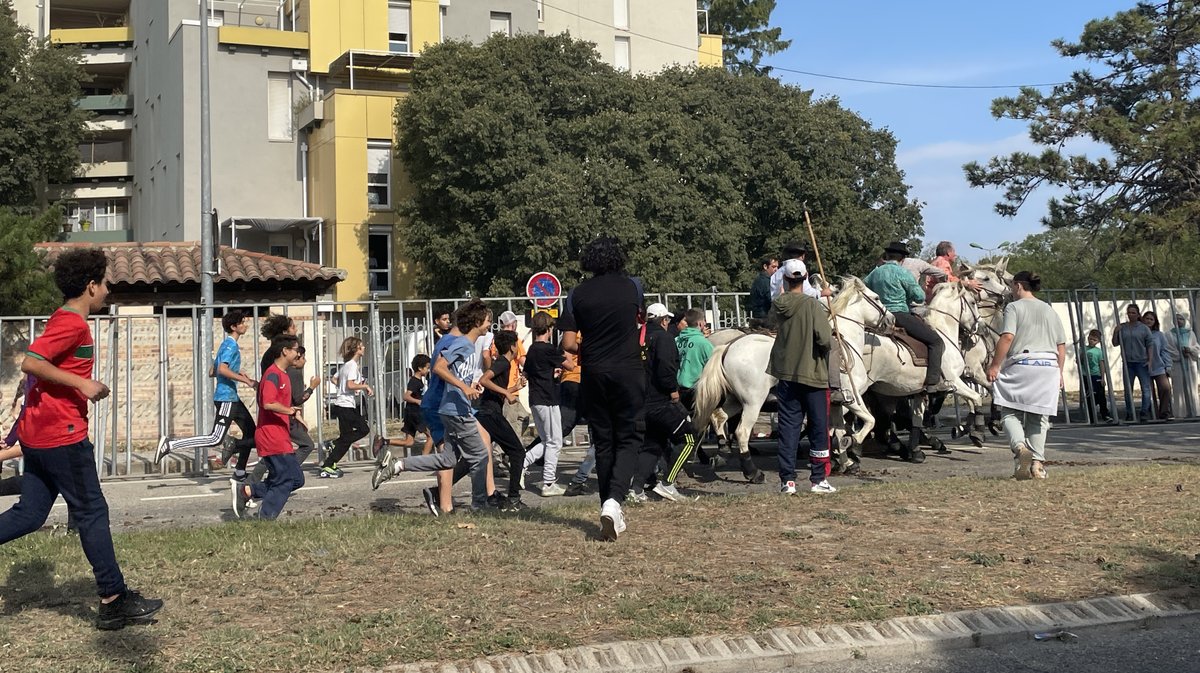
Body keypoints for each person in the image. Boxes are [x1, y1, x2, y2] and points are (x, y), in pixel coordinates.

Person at [0, 248, 163, 630]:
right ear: (91, 286)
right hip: (62, 436)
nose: (107, 290)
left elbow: (39, 368)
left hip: (41, 437)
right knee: (92, 512)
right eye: (104, 283)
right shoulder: (72, 323)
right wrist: (82, 383)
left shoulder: (64, 319)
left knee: (30, 513)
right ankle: (113, 599)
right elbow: (31, 362)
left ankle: (113, 597)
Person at [558, 237, 645, 540]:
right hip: (628, 369)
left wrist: (587, 340)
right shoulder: (633, 286)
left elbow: (569, 343)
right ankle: (615, 501)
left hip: (593, 372)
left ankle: (607, 506)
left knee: (603, 440)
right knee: (631, 436)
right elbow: (638, 320)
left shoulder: (576, 294)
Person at [372, 300, 493, 511]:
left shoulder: (467, 344)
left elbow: (455, 373)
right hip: (456, 411)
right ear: (477, 322)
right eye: (488, 321)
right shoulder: (462, 343)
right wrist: (464, 389)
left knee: (447, 459)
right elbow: (439, 368)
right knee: (480, 456)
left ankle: (398, 465)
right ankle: (479, 506)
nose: (490, 325)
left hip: (450, 410)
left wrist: (469, 385)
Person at [154, 310, 257, 480]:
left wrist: (238, 373)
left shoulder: (227, 345)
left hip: (232, 398)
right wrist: (246, 381)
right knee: (215, 438)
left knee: (251, 433)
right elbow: (221, 369)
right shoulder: (230, 345)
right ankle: (170, 444)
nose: (245, 325)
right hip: (226, 399)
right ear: (233, 327)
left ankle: (239, 472)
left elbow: (212, 371)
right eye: (242, 322)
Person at [987, 271, 1066, 480]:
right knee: (1039, 416)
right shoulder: (1048, 309)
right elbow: (1061, 345)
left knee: (1009, 411)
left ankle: (1020, 447)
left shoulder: (1013, 307)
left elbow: (1007, 336)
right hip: (1049, 366)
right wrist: (1060, 371)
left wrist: (995, 365)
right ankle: (1037, 465)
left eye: (1012, 287)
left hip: (1023, 363)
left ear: (1019, 286)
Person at [768, 259, 837, 495]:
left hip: (787, 374)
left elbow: (770, 323)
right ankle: (818, 479)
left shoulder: (777, 304)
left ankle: (787, 481)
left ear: (786, 279)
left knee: (788, 428)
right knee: (818, 426)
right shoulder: (812, 305)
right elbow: (825, 340)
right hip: (813, 374)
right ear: (805, 277)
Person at [234, 335, 306, 519]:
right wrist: (290, 411)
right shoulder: (273, 374)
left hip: (280, 436)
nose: (298, 353)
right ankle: (265, 517)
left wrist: (294, 414)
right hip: (271, 436)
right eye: (296, 349)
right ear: (285, 351)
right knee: (286, 480)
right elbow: (268, 403)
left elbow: (281, 404)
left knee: (296, 479)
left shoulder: (283, 375)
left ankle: (247, 490)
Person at [864, 241, 950, 394]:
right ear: (902, 259)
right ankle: (933, 383)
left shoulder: (875, 273)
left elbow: (864, 289)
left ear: (887, 256)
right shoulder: (903, 273)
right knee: (936, 341)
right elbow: (919, 296)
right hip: (900, 315)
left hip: (878, 318)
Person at [637, 302, 696, 502]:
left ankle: (635, 489)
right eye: (667, 319)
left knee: (653, 444)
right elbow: (666, 368)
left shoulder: (639, 338)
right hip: (661, 401)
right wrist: (673, 391)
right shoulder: (663, 338)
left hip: (641, 402)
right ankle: (668, 484)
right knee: (688, 438)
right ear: (663, 320)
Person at [250, 315, 319, 483]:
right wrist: (311, 388)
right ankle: (258, 483)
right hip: (279, 412)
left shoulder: (272, 358)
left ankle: (253, 484)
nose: (295, 330)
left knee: (272, 454)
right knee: (303, 446)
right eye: (293, 327)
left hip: (282, 412)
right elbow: (286, 399)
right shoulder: (281, 368)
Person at [476, 330, 529, 510]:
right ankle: (513, 498)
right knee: (517, 452)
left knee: (474, 457)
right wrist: (507, 392)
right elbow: (484, 380)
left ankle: (437, 491)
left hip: (487, 413)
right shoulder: (503, 363)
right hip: (490, 414)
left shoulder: (503, 363)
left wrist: (514, 387)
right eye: (517, 344)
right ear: (513, 347)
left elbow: (494, 387)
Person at [521, 311, 566, 496]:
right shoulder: (549, 349)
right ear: (549, 329)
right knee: (555, 442)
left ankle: (520, 464)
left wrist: (551, 374)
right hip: (548, 399)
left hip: (536, 398)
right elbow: (568, 364)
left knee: (547, 440)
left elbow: (528, 373)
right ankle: (548, 482)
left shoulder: (532, 349)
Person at [319, 337, 373, 478]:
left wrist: (342, 388)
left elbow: (334, 379)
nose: (364, 348)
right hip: (346, 406)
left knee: (346, 438)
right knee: (363, 429)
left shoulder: (346, 365)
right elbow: (350, 385)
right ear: (356, 349)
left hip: (342, 404)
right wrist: (364, 386)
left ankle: (330, 464)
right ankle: (333, 444)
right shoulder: (352, 366)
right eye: (362, 346)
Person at [490, 310, 531, 441]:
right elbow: (523, 361)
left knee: (521, 417)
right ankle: (506, 453)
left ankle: (506, 450)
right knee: (513, 423)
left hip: (500, 388)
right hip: (512, 388)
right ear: (513, 325)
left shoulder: (495, 340)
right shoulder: (514, 341)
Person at [1111, 303, 1155, 422]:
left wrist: (1150, 360)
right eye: (1129, 312)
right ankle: (1130, 413)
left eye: (1133, 313)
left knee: (1145, 389)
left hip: (1141, 362)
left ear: (1138, 314)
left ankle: (1144, 412)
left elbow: (1150, 345)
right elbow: (1115, 343)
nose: (1131, 315)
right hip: (1127, 363)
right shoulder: (1123, 327)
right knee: (1128, 390)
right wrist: (1116, 332)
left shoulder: (1144, 328)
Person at [675, 308, 713, 413]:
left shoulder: (676, 340)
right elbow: (714, 369)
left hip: (677, 390)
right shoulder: (703, 343)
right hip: (696, 391)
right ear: (700, 324)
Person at [1166, 312, 1200, 417]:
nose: (1179, 321)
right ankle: (1180, 413)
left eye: (1181, 319)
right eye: (1176, 319)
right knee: (1178, 389)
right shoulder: (1169, 334)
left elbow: (1196, 347)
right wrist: (1180, 353)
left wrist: (1190, 350)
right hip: (1177, 364)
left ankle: (1194, 412)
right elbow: (1168, 349)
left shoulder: (1190, 333)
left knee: (1192, 388)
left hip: (1190, 363)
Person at [1143, 311, 1174, 421]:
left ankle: (1164, 412)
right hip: (1144, 367)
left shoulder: (1159, 335)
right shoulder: (1140, 333)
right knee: (1149, 392)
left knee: (1165, 388)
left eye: (1151, 319)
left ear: (1155, 322)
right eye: (1147, 318)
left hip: (1159, 366)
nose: (1149, 321)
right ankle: (1153, 413)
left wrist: (1168, 365)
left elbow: (1164, 351)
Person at [1083, 329, 1113, 423]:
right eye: (1091, 339)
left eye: (1094, 340)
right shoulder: (1083, 349)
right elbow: (1079, 361)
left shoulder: (1098, 351)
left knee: (1101, 396)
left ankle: (1105, 414)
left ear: (1098, 341)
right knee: (1089, 396)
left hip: (1096, 375)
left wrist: (1103, 377)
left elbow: (1101, 364)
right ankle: (1091, 416)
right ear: (1088, 338)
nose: (1092, 341)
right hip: (1086, 375)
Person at [747, 255, 779, 321]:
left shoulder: (759, 279)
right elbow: (770, 298)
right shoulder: (765, 281)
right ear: (765, 266)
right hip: (764, 317)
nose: (776, 270)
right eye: (773, 267)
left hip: (760, 315)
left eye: (777, 267)